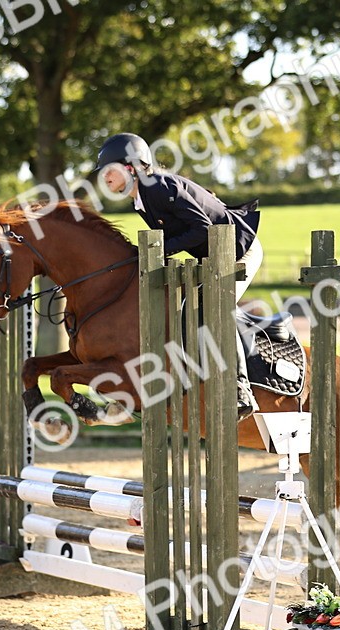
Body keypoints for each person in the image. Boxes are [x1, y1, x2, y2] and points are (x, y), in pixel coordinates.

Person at [96, 133, 263, 419]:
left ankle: (240, 388)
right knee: (187, 310)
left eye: (109, 171)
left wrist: (155, 252)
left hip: (240, 249)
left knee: (215, 307)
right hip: (212, 257)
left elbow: (200, 228)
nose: (105, 178)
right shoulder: (142, 199)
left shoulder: (159, 187)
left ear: (131, 167)